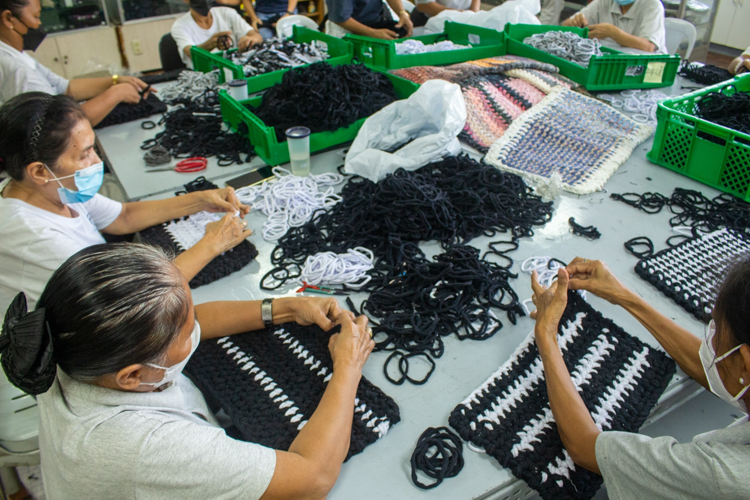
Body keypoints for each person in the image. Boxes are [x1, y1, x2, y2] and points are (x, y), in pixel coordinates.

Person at [0, 243, 375, 499]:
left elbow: (192, 323)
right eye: (183, 330)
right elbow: (313, 479)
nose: (194, 327)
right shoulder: (144, 447)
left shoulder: (69, 343)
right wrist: (348, 364)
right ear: (132, 376)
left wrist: (286, 308)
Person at [0, 92, 252, 313]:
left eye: (93, 149)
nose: (98, 162)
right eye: (84, 154)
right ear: (40, 172)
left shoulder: (52, 189)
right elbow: (133, 301)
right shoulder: (37, 240)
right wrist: (211, 244)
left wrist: (201, 200)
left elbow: (123, 218)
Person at [529, 256, 750, 499]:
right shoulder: (741, 375)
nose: (711, 337)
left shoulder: (723, 475)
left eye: (716, 328)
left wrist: (546, 334)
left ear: (745, 365)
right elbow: (718, 369)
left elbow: (586, 447)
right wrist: (622, 295)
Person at [0, 0, 153, 126]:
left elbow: (66, 88)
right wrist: (116, 93)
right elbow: (61, 126)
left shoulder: (17, 55)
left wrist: (115, 80)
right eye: (35, 17)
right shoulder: (17, 70)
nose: (39, 24)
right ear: (8, 19)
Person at [172, 0, 263, 70]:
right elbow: (190, 52)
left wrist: (250, 40)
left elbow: (257, 37)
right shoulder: (180, 25)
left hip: (233, 69)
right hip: (202, 74)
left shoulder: (227, 13)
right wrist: (211, 44)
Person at [562, 0, 666, 54]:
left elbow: (648, 47)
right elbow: (564, 26)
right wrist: (575, 23)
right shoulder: (604, 2)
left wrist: (614, 33)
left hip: (649, 68)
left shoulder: (652, 6)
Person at [325, 0, 413, 40]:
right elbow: (341, 18)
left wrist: (402, 13)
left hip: (376, 20)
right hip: (347, 28)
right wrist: (373, 33)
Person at [410, 0, 479, 28]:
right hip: (428, 21)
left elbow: (475, 6)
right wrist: (462, 14)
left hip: (462, 21)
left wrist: (473, 15)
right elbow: (424, 5)